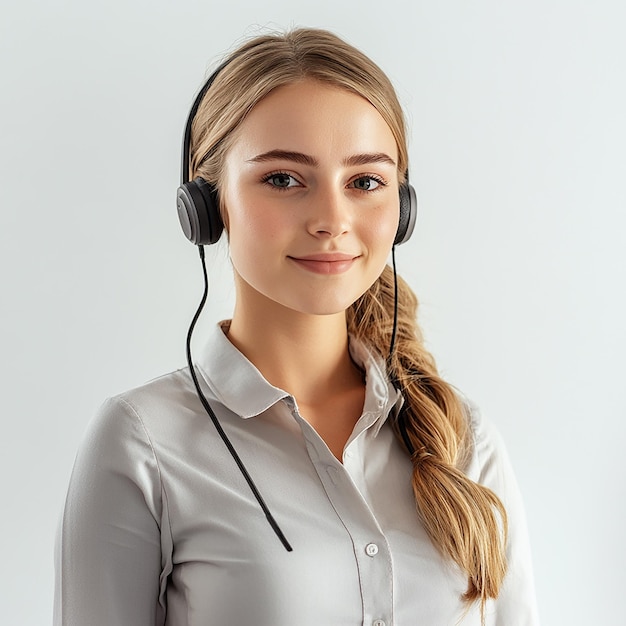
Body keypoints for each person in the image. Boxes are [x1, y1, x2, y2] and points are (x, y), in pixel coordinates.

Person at [54, 28, 539, 626]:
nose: (333, 220)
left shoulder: (461, 438)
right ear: (206, 205)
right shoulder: (143, 444)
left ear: (402, 208)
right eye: (283, 179)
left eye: (365, 182)